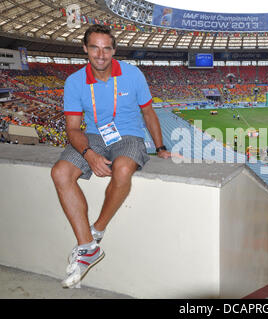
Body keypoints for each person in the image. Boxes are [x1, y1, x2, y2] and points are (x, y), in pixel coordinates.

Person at [51, 25, 172, 289]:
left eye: (107, 48)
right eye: (94, 47)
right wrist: (89, 154)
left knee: (123, 169)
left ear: (114, 50)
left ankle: (97, 230)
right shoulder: (74, 81)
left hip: (129, 136)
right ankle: (87, 247)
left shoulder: (132, 74)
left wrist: (161, 146)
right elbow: (72, 129)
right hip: (93, 137)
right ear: (85, 49)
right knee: (60, 172)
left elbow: (149, 113)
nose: (101, 54)